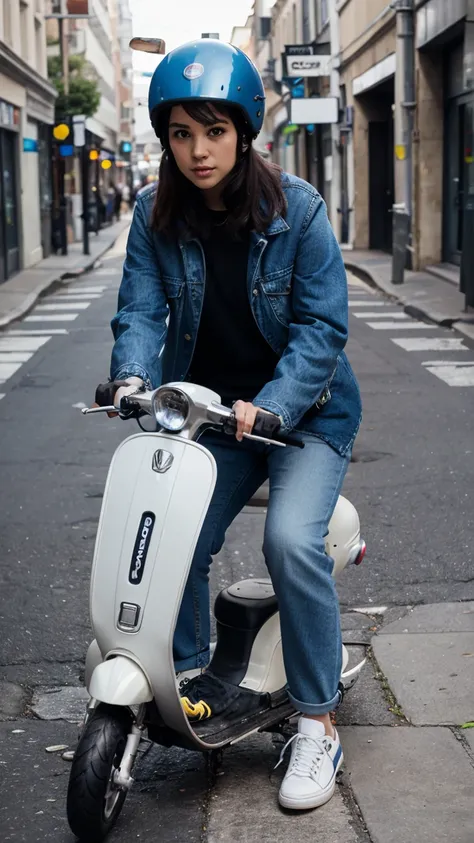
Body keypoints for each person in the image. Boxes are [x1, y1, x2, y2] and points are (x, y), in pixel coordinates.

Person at [103, 39, 361, 811]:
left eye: (213, 131)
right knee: (172, 533)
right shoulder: (155, 213)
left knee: (288, 539)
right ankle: (190, 677)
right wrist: (131, 377)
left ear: (243, 131)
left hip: (304, 412)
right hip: (215, 411)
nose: (197, 150)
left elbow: (321, 327)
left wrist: (274, 403)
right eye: (181, 133)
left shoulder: (299, 208)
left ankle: (316, 723)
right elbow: (143, 307)